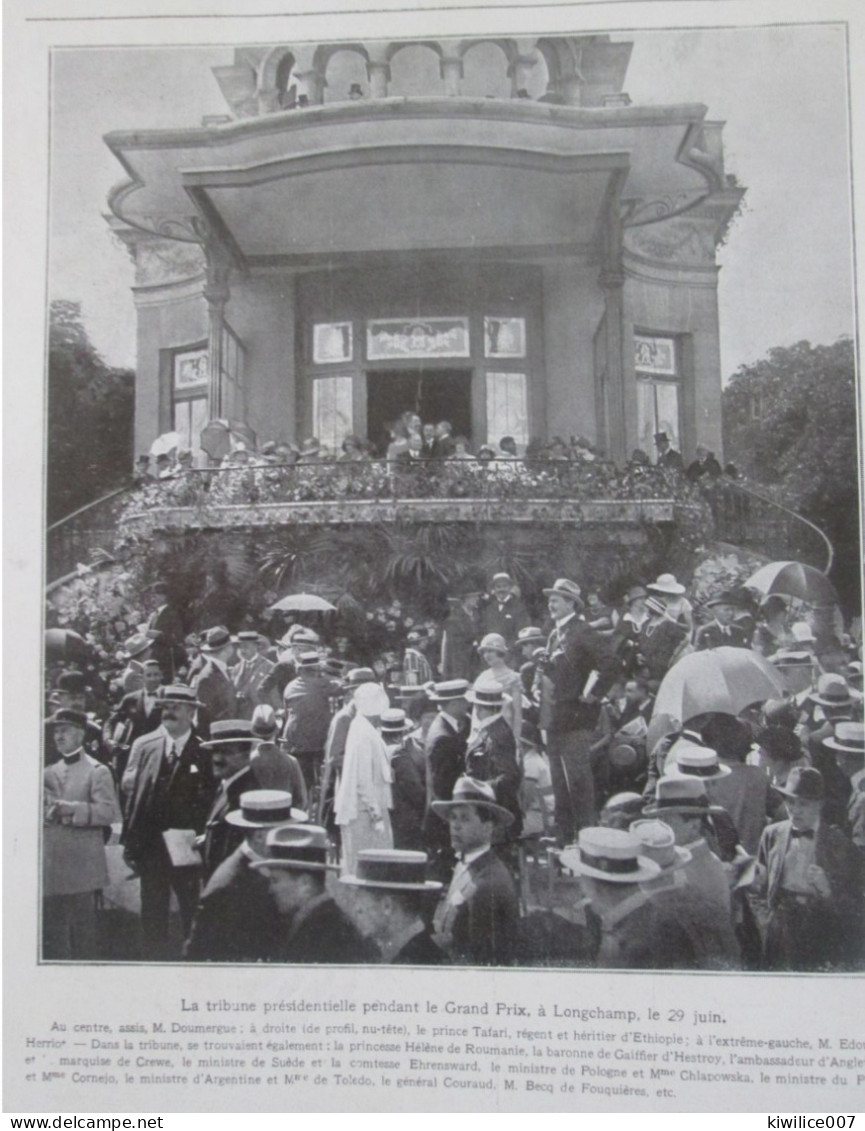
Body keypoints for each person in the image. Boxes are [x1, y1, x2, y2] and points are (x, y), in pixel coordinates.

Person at [120, 685, 215, 959]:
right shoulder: (147, 747)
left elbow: (212, 803)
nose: (169, 712)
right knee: (152, 916)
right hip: (151, 849)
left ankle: (194, 967)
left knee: (191, 914)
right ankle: (155, 969)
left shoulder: (205, 751)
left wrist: (203, 842)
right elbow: (135, 800)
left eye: (176, 706)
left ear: (191, 712)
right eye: (165, 706)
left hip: (187, 848)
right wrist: (130, 843)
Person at [754, 767, 863, 970]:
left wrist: (828, 889)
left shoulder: (839, 844)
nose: (795, 810)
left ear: (819, 805)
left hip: (820, 927)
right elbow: (758, 886)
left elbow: (856, 904)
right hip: (780, 927)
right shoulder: (772, 834)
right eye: (790, 802)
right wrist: (766, 922)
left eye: (803, 804)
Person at [538, 578, 620, 843]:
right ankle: (564, 838)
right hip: (553, 717)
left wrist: (593, 695)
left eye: (557, 599)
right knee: (559, 783)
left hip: (575, 718)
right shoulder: (554, 633)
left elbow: (610, 663)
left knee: (578, 783)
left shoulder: (582, 631)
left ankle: (588, 840)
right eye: (550, 598)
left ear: (571, 603)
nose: (551, 603)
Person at [184, 790, 306, 963]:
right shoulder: (229, 886)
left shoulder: (265, 863)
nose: (291, 838)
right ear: (260, 836)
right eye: (284, 832)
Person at [42, 708, 119, 959]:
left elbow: (108, 813)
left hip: (82, 865)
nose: (58, 736)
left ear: (80, 734)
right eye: (56, 731)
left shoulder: (97, 770)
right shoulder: (48, 771)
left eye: (64, 730)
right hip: (53, 862)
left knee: (83, 931)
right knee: (54, 932)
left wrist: (72, 810)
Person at [250, 825, 374, 963]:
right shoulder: (321, 920)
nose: (271, 889)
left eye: (275, 880)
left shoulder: (323, 931)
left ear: (305, 884)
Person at [431, 777, 521, 966]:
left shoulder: (487, 884)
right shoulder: (468, 862)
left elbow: (480, 963)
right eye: (453, 817)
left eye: (465, 818)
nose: (455, 825)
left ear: (488, 828)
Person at [341, 849, 446, 964]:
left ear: (387, 906)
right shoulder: (412, 951)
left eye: (360, 901)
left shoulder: (419, 961)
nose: (356, 909)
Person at [334, 682, 394, 874]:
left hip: (367, 809)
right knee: (365, 868)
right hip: (363, 812)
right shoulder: (362, 733)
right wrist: (376, 816)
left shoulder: (364, 727)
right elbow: (363, 780)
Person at [422, 680, 472, 877]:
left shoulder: (450, 727)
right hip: (444, 812)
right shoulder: (443, 737)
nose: (467, 704)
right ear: (452, 704)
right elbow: (443, 785)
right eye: (463, 701)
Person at [199, 719, 259, 878]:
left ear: (247, 755)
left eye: (225, 752)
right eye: (215, 751)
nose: (216, 758)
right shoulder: (227, 785)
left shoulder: (246, 795)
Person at [464, 677, 523, 834]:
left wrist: (475, 788)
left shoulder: (496, 735)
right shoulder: (492, 729)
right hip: (490, 812)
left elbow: (508, 777)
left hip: (495, 816)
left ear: (477, 707)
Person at [282, 650, 341, 792]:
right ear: (317, 669)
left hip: (294, 738)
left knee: (303, 781)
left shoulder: (290, 686)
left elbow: (285, 712)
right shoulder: (323, 684)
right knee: (324, 779)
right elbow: (343, 687)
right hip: (317, 740)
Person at [106, 659, 164, 781]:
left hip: (160, 753)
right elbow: (112, 720)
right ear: (142, 677)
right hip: (134, 754)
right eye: (149, 675)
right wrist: (108, 739)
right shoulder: (130, 699)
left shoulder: (169, 697)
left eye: (156, 674)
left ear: (161, 675)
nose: (153, 679)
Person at [381, 709, 427, 852]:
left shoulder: (382, 750)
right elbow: (414, 788)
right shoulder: (399, 754)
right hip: (406, 819)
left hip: (389, 815)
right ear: (401, 733)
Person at [474, 632, 523, 739]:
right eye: (484, 652)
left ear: (500, 652)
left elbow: (517, 713)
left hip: (505, 731)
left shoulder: (513, 678)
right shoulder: (482, 676)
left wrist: (516, 740)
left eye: (490, 651)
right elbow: (476, 712)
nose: (486, 655)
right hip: (483, 731)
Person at [191, 626, 238, 731]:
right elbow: (203, 716)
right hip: (217, 735)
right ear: (226, 649)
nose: (233, 648)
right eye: (231, 645)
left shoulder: (222, 669)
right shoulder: (208, 677)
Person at [476, 573, 530, 651]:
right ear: (494, 589)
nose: (501, 590)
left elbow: (522, 632)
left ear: (510, 588)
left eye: (505, 586)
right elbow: (483, 631)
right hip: (491, 651)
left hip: (511, 652)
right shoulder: (489, 609)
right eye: (498, 587)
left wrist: (507, 648)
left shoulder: (519, 607)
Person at [230, 630, 274, 718]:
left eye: (246, 646)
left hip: (259, 716)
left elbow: (273, 696)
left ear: (256, 646)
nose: (242, 650)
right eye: (240, 647)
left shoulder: (269, 667)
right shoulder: (237, 668)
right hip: (239, 716)